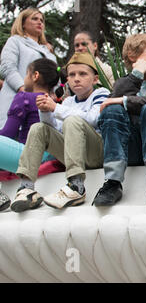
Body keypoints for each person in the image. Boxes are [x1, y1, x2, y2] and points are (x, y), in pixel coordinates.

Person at [10, 52, 109, 212]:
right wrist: (45, 111)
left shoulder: (101, 93)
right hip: (74, 152)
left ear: (95, 79)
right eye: (72, 75)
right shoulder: (69, 101)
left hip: (96, 154)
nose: (76, 78)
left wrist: (56, 107)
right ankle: (26, 188)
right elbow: (54, 129)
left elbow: (93, 119)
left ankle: (76, 186)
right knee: (38, 127)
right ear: (67, 80)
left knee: (72, 120)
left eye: (83, 74)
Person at [92, 34, 146, 207]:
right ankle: (113, 183)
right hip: (131, 148)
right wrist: (137, 74)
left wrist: (126, 101)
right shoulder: (124, 82)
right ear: (132, 56)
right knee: (112, 109)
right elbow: (111, 103)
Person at [0, 58, 61, 211]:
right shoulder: (57, 103)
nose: (24, 79)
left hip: (31, 157)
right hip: (52, 155)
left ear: (35, 76)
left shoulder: (24, 97)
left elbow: (7, 134)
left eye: (26, 74)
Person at [0, 8, 57, 128]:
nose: (39, 22)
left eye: (41, 20)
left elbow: (55, 78)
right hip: (14, 101)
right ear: (23, 23)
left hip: (42, 108)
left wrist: (53, 95)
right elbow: (7, 67)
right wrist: (23, 90)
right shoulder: (15, 41)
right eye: (34, 19)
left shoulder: (49, 52)